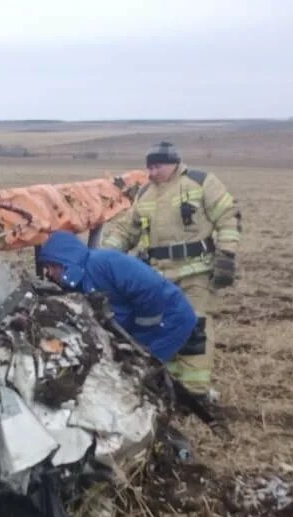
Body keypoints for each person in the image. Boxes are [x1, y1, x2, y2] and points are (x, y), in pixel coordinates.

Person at [100, 141, 240, 400]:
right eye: (149, 167)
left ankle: (195, 392)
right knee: (164, 327)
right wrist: (103, 256)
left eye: (157, 166)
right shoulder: (144, 194)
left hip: (195, 272)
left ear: (174, 163)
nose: (151, 173)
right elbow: (125, 232)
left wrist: (227, 254)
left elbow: (228, 216)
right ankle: (171, 386)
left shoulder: (201, 183)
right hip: (158, 277)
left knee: (194, 330)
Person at [38, 231, 197, 367]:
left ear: (65, 262)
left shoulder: (105, 263)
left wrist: (140, 337)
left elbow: (149, 290)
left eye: (51, 266)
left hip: (169, 321)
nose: (49, 273)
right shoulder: (77, 283)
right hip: (146, 326)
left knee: (147, 371)